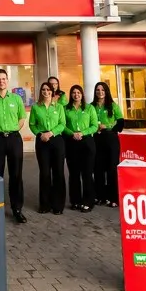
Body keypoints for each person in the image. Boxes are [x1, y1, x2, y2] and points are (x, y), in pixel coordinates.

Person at [0, 68, 29, 223]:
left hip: (14, 138)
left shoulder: (16, 99)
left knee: (16, 174)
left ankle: (17, 209)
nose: (1, 81)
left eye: (3, 78)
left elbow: (22, 118)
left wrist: (13, 130)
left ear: (7, 80)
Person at [28, 82, 66, 214]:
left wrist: (51, 133)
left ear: (52, 91)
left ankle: (58, 205)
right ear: (40, 92)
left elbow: (62, 124)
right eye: (43, 89)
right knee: (44, 173)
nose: (46, 92)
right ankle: (45, 204)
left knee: (58, 172)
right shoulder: (35, 107)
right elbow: (32, 124)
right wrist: (40, 134)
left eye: (48, 89)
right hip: (42, 141)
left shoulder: (59, 107)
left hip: (56, 140)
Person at [62, 84, 98, 212]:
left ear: (82, 94)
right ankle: (75, 201)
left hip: (87, 142)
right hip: (71, 143)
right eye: (73, 93)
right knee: (74, 173)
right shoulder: (65, 109)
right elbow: (63, 125)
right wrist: (72, 133)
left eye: (78, 93)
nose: (76, 95)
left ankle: (89, 201)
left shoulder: (89, 108)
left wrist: (82, 133)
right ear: (71, 95)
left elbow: (94, 125)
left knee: (87, 173)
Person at [92, 81, 125, 207]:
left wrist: (109, 127)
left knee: (112, 168)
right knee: (98, 168)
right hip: (97, 140)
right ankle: (100, 196)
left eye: (102, 90)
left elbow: (120, 122)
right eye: (97, 90)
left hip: (111, 139)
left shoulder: (113, 106)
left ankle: (113, 198)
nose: (100, 92)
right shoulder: (91, 106)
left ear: (106, 92)